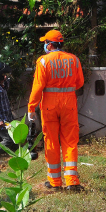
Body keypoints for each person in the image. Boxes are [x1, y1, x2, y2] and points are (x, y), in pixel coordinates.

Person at [28, 30, 84, 191]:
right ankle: (72, 180)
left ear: (50, 44)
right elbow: (79, 83)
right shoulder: (74, 60)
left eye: (45, 43)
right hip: (69, 103)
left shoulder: (43, 61)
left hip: (49, 105)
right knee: (70, 141)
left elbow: (38, 87)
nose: (44, 46)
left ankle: (54, 181)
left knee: (51, 141)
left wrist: (32, 107)